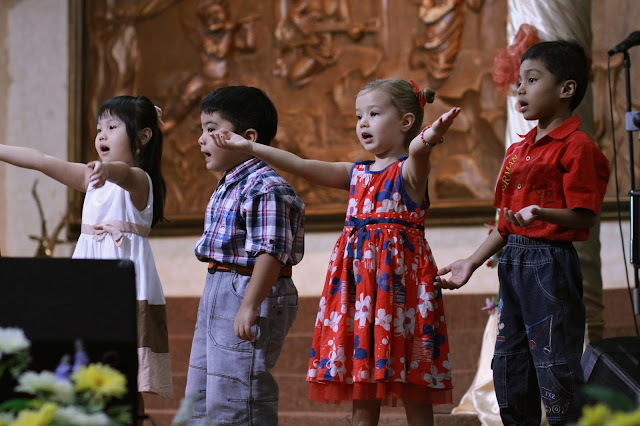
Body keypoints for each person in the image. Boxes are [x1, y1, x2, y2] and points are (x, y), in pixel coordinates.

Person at [212, 79, 460, 426]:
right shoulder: (354, 173)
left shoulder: (408, 172)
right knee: (362, 381)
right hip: (359, 294)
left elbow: (419, 151)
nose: (363, 123)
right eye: (359, 116)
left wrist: (430, 136)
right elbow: (300, 164)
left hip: (401, 296)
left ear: (406, 122)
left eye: (374, 114)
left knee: (413, 382)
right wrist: (250, 147)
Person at [436, 40, 610, 425]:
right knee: (509, 365)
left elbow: (584, 217)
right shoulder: (517, 151)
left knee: (556, 366)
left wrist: (542, 213)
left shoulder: (578, 148)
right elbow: (506, 222)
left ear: (566, 89)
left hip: (549, 264)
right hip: (513, 261)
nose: (520, 89)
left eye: (532, 80)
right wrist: (471, 261)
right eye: (519, 81)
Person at [0, 95, 174, 416]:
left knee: (124, 378)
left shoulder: (140, 180)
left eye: (112, 127)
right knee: (85, 372)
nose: (101, 135)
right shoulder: (92, 180)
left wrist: (106, 169)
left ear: (143, 136)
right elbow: (40, 159)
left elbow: (123, 174)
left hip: (126, 291)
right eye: (99, 129)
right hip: (88, 285)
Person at [185, 85, 305, 425]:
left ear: (247, 137)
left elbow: (271, 251)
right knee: (203, 394)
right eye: (202, 129)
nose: (201, 139)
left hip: (247, 289)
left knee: (238, 396)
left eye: (211, 129)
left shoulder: (265, 186)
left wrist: (250, 304)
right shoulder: (230, 182)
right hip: (220, 286)